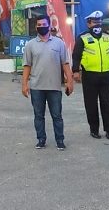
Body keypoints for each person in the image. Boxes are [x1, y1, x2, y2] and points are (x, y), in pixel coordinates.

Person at [22, 14, 74, 150]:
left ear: (50, 26)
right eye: (39, 25)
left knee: (57, 115)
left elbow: (65, 64)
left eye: (44, 25)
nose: (41, 27)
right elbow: (27, 66)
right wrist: (24, 84)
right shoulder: (30, 45)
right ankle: (41, 139)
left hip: (54, 87)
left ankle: (60, 140)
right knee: (38, 115)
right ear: (36, 27)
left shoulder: (59, 43)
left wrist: (70, 82)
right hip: (36, 87)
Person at [72, 10, 109, 140]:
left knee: (107, 103)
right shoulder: (82, 38)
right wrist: (75, 71)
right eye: (95, 22)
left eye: (100, 21)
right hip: (90, 76)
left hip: (106, 76)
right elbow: (76, 56)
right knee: (91, 104)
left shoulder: (108, 37)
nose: (98, 24)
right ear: (88, 23)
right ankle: (94, 129)